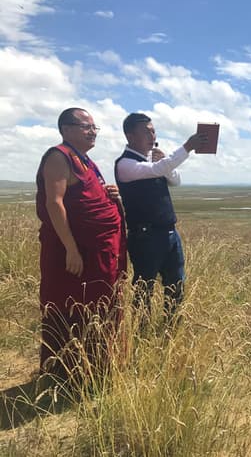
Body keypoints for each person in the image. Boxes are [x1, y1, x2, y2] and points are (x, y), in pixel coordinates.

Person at [36, 108, 127, 385]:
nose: (92, 132)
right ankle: (66, 375)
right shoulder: (59, 156)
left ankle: (96, 370)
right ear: (66, 129)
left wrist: (110, 194)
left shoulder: (86, 161)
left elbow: (87, 195)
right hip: (74, 253)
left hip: (97, 252)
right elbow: (54, 203)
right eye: (86, 126)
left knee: (99, 308)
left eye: (94, 127)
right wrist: (71, 249)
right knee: (71, 309)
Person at [114, 113, 204, 329]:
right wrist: (187, 147)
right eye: (146, 132)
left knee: (176, 285)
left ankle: (171, 329)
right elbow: (157, 170)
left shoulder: (153, 163)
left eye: (153, 131)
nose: (152, 136)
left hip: (169, 234)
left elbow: (176, 181)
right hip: (145, 237)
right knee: (144, 288)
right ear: (130, 135)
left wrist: (165, 163)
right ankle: (141, 333)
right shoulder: (126, 164)